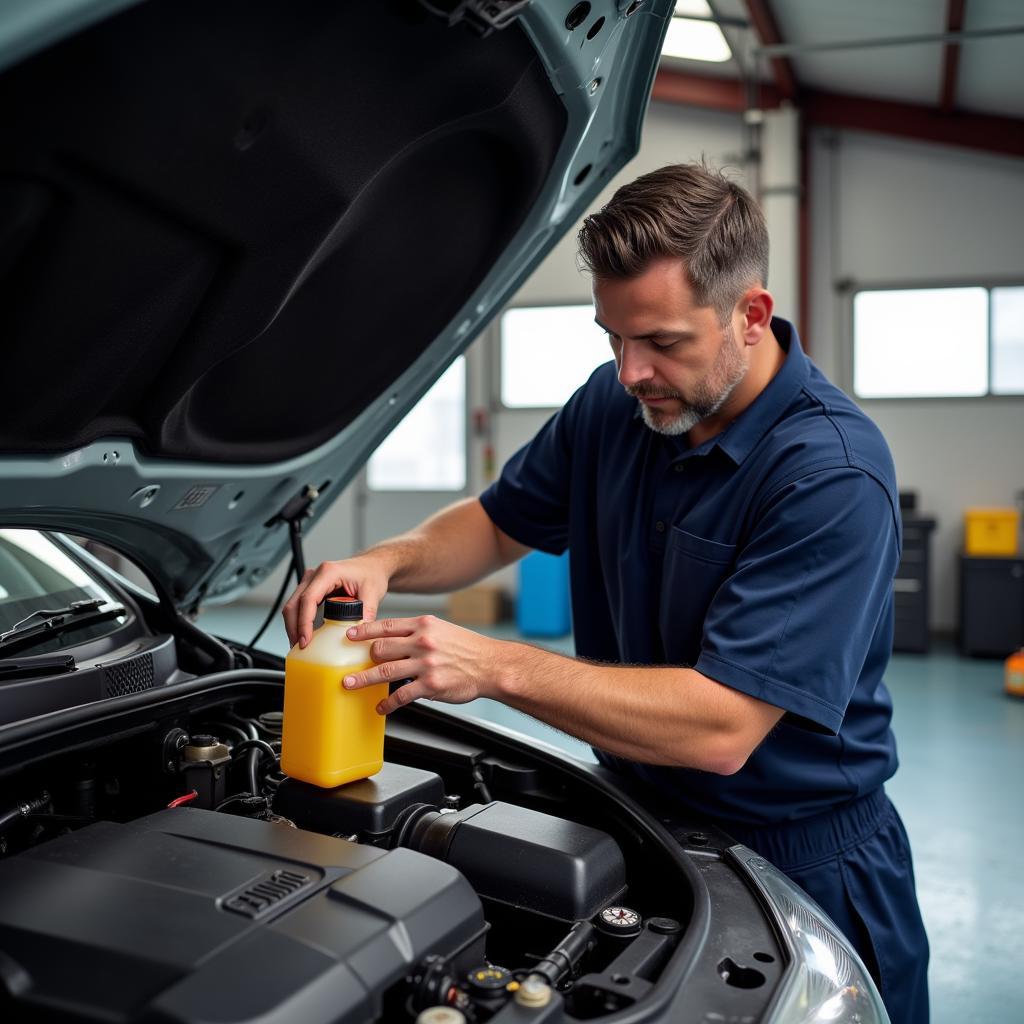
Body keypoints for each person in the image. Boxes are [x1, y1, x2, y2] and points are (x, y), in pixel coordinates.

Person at [283, 162, 929, 1023]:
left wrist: (497, 667)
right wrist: (386, 561)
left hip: (803, 860)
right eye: (613, 340)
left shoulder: (830, 475)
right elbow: (498, 521)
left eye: (662, 342)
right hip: (638, 814)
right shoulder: (617, 405)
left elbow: (723, 726)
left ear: (751, 315)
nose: (631, 372)